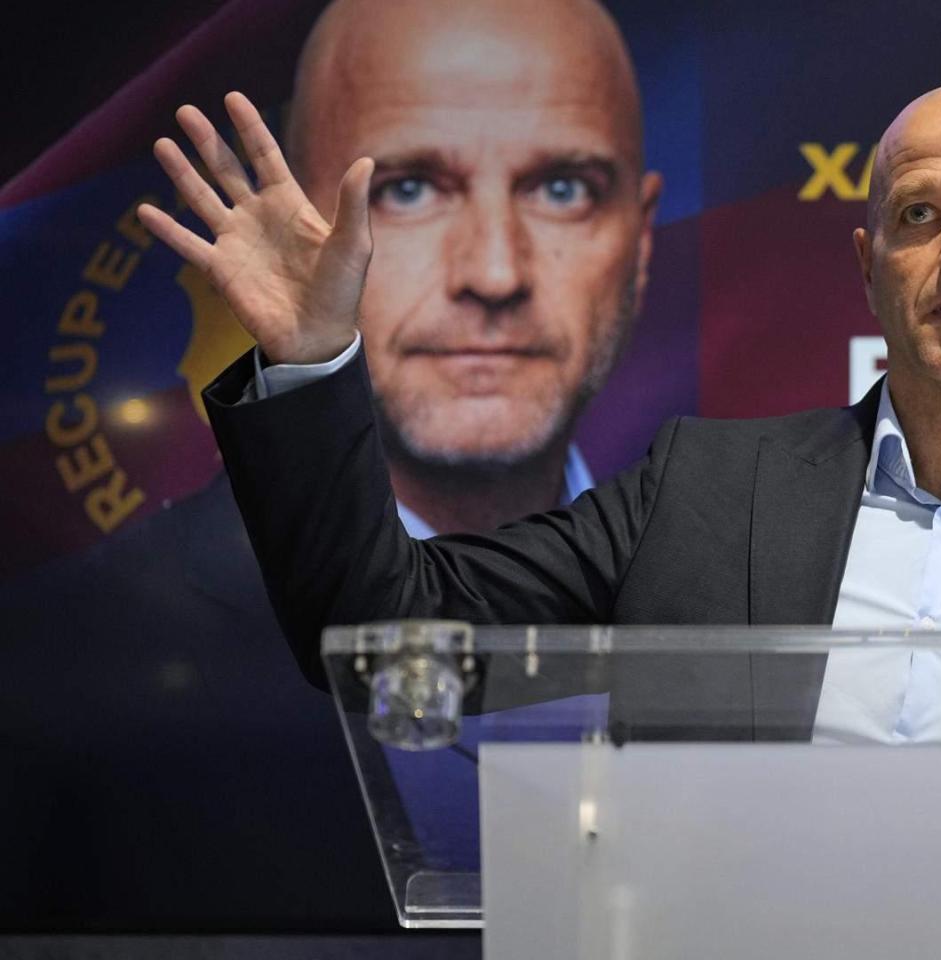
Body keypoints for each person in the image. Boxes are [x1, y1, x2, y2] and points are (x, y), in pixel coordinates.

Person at [144, 82, 941, 957]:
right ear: (867, 265)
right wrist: (312, 364)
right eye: (919, 216)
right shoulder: (703, 487)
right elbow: (378, 626)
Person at [0, 0, 660, 924]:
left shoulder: (747, 593)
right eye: (407, 189)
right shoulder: (55, 655)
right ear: (289, 226)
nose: (495, 274)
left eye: (562, 188)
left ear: (640, 241)